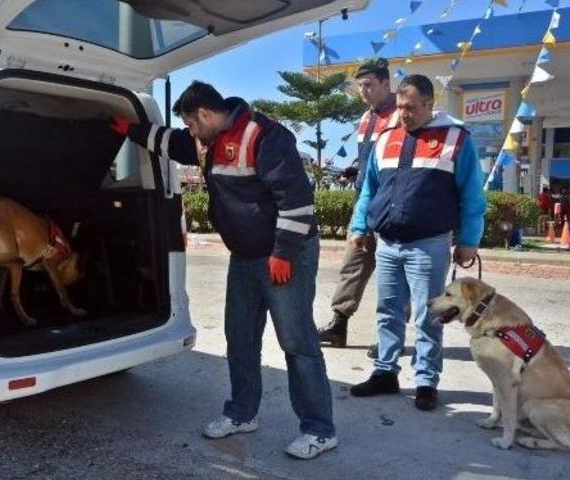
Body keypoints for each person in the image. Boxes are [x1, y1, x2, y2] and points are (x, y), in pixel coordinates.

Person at [111, 81, 337, 459]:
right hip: (246, 256)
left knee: (297, 343)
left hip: (285, 255)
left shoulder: (264, 135)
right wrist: (127, 129)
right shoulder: (206, 140)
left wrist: (283, 253)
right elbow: (170, 142)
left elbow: (297, 201)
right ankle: (242, 413)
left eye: (192, 124)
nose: (190, 133)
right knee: (240, 336)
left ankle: (319, 430)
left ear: (204, 114)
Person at [347, 74, 486, 411]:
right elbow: (370, 189)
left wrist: (469, 239)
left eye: (410, 107)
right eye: (399, 107)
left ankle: (426, 380)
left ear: (429, 104)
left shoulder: (455, 138)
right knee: (387, 311)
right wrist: (359, 225)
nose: (403, 113)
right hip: (388, 243)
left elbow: (472, 193)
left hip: (429, 244)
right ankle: (385, 372)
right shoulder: (385, 138)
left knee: (428, 315)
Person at [318, 58, 399, 353]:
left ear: (386, 84)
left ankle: (392, 337)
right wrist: (356, 172)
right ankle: (338, 325)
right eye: (360, 86)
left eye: (369, 85)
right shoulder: (367, 117)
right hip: (364, 201)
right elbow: (371, 162)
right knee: (353, 264)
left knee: (393, 273)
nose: (363, 91)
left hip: (393, 206)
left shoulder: (401, 116)